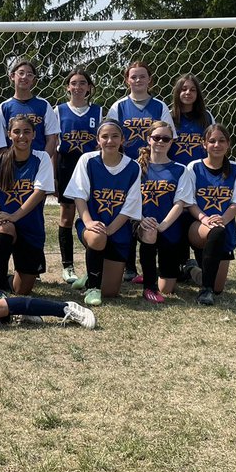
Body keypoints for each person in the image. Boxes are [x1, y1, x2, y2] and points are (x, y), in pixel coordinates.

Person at [107, 60, 174, 283]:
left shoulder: (160, 106)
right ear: (127, 80)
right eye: (133, 76)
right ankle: (128, 266)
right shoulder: (118, 106)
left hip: (152, 167)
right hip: (126, 167)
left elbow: (167, 134)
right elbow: (110, 134)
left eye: (142, 76)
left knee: (148, 211)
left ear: (149, 80)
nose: (137, 80)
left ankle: (153, 268)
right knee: (128, 213)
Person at [64, 119, 143, 307]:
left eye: (115, 136)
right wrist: (89, 222)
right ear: (98, 140)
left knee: (111, 292)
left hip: (118, 230)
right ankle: (92, 287)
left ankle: (91, 272)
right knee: (97, 237)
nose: (110, 141)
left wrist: (109, 230)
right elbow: (79, 196)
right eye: (105, 137)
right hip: (92, 225)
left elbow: (129, 208)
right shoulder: (88, 160)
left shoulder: (133, 167)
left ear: (122, 139)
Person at [0, 115, 55, 297]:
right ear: (9, 134)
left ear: (33, 135)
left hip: (31, 229)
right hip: (7, 224)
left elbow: (39, 193)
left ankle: (6, 279)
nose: (21, 136)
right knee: (5, 228)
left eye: (26, 132)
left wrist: (14, 216)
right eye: (16, 132)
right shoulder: (0, 161)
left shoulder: (42, 158)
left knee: (21, 289)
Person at [185, 123, 236, 306]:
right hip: (198, 226)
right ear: (204, 144)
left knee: (219, 287)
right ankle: (206, 291)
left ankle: (191, 270)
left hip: (223, 225)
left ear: (228, 144)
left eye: (221, 141)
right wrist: (205, 219)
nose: (216, 145)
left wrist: (222, 219)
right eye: (211, 141)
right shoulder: (194, 167)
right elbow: (190, 202)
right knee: (216, 232)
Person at [135, 121, 194, 303]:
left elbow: (180, 203)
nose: (160, 141)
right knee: (150, 231)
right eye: (156, 137)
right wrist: (142, 220)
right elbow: (130, 199)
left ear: (171, 142)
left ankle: (152, 272)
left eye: (165, 138)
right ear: (149, 139)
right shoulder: (136, 168)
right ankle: (149, 288)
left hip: (168, 226)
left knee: (167, 289)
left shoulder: (180, 170)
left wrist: (163, 226)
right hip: (141, 223)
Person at [55, 68, 101, 286]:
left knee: (91, 215)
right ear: (68, 87)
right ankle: (67, 266)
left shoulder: (99, 112)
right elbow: (55, 148)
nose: (78, 87)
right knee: (66, 216)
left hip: (90, 170)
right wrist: (54, 177)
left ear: (89, 88)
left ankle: (94, 266)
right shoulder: (59, 111)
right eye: (74, 83)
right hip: (66, 168)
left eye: (83, 83)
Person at [0, 56, 60, 162]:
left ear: (33, 80)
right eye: (21, 73)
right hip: (12, 164)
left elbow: (51, 139)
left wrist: (42, 161)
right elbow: (0, 140)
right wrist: (8, 161)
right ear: (12, 76)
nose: (25, 77)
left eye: (29, 75)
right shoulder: (4, 107)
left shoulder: (44, 105)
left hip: (38, 164)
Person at [168, 74, 214, 167]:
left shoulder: (207, 116)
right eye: (184, 89)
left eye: (193, 90)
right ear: (177, 92)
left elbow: (214, 144)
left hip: (200, 172)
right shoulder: (168, 116)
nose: (188, 92)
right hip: (175, 173)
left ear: (197, 94)